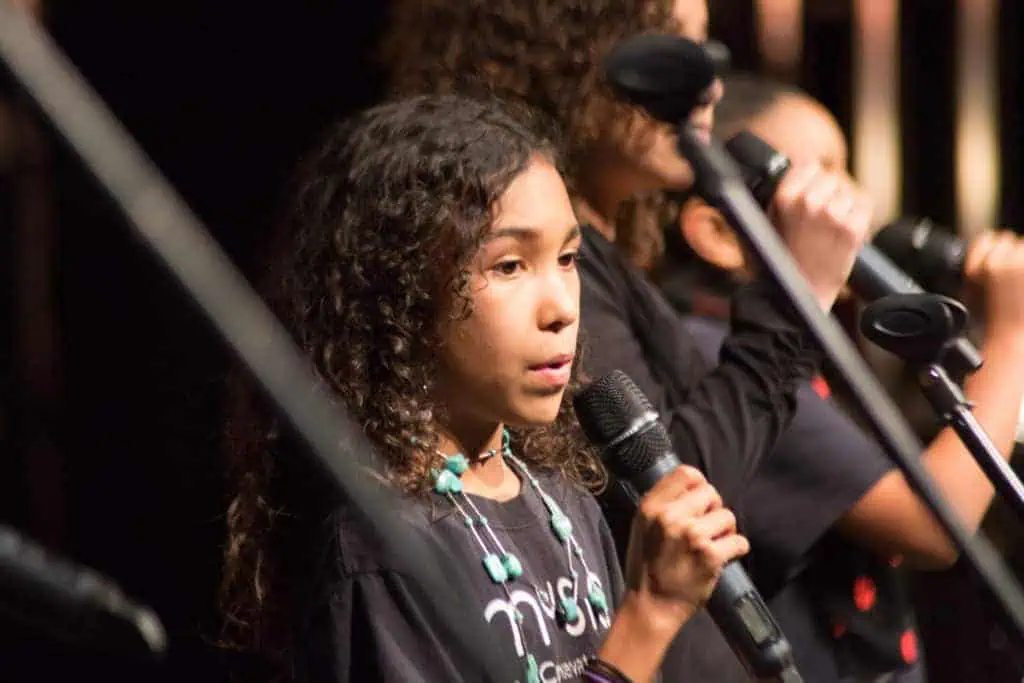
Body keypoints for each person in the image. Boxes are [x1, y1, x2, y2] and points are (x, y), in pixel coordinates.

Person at [380, 2, 878, 682]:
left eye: (708, 48)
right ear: (564, 57)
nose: (708, 83)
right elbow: (672, 484)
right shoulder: (394, 544)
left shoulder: (610, 267)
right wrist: (796, 301)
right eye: (671, 45)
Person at [218, 93, 753, 683]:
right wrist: (648, 616)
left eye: (569, 258)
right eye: (509, 266)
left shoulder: (563, 501)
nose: (560, 309)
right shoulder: (385, 547)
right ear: (402, 294)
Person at [663, 72, 1024, 682]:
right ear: (719, 233)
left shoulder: (802, 345)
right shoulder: (725, 361)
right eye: (821, 176)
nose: (854, 202)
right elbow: (934, 523)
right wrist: (1013, 333)